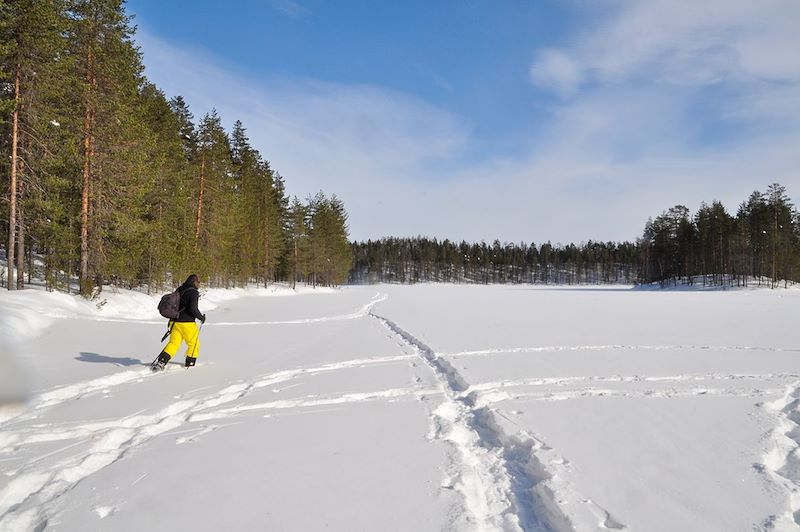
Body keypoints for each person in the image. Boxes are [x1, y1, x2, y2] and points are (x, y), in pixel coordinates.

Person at [153, 274, 206, 370]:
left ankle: (161, 361)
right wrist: (201, 317)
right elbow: (193, 309)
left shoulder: (180, 289)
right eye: (198, 282)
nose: (199, 284)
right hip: (187, 323)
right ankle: (190, 364)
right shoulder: (193, 292)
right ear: (194, 282)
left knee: (174, 343)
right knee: (194, 344)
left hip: (175, 322)